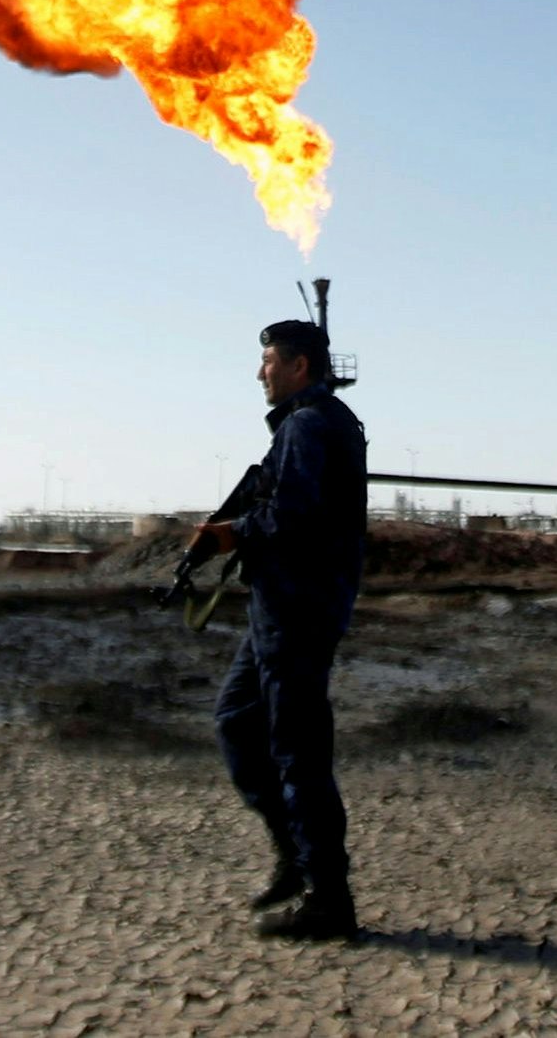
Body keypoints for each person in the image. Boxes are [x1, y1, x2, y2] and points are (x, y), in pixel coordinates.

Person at [187, 317, 367, 941]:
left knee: (297, 752)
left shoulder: (311, 425)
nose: (259, 373)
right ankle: (295, 855)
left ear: (298, 366)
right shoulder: (311, 425)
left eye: (268, 361)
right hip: (279, 609)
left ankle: (327, 898)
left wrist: (231, 535)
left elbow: (294, 516)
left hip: (298, 611)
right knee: (237, 720)